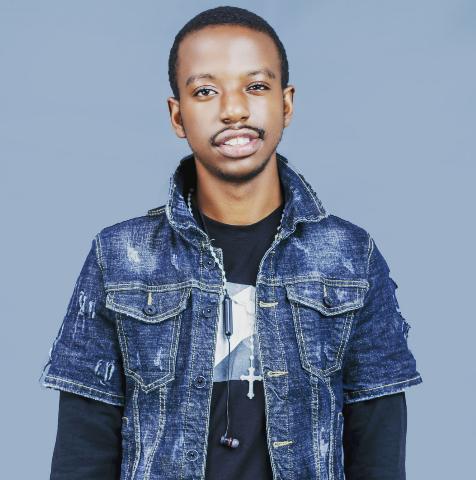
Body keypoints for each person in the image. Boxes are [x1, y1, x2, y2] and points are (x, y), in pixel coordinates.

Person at [43, 6, 421, 480]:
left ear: (286, 104)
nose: (234, 109)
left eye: (256, 86)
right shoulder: (119, 257)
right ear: (177, 115)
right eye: (206, 91)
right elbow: (82, 452)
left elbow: (379, 449)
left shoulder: (351, 256)